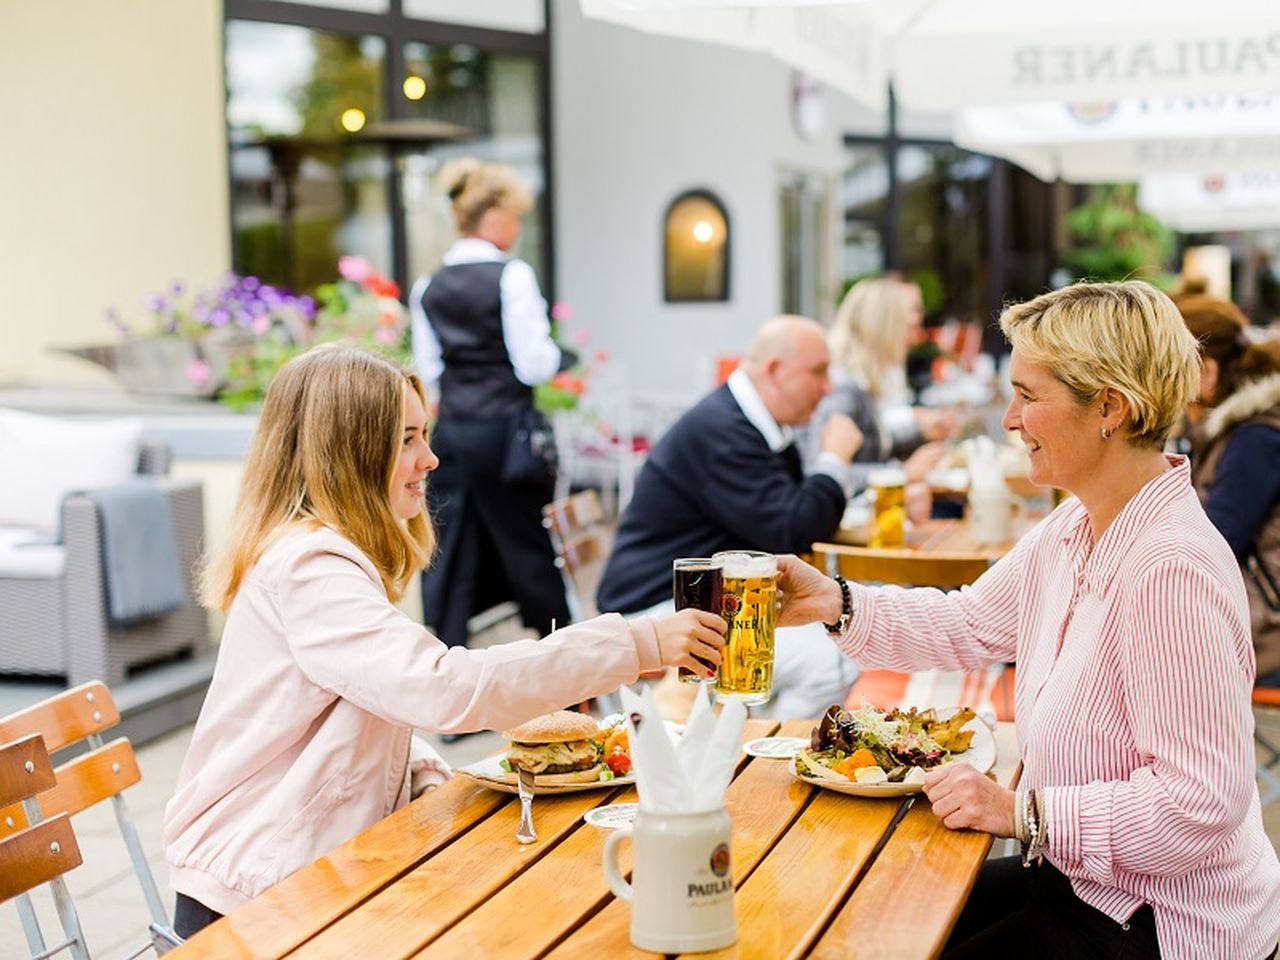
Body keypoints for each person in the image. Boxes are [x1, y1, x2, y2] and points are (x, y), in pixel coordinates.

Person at [775, 282, 1280, 958]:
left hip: (1157, 922)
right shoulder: (1078, 521)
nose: (1010, 419)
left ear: (1109, 407)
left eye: (1028, 395)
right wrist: (833, 603)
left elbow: (1197, 805)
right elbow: (969, 623)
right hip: (1080, 881)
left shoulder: (1171, 568)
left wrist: (1021, 813)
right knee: (872, 924)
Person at [162, 345, 726, 937]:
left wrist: (427, 776)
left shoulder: (321, 555)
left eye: (424, 434)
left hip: (301, 875)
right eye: (406, 439)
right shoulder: (311, 566)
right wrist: (638, 643)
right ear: (348, 453)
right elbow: (442, 687)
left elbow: (358, 715)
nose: (430, 459)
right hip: (253, 902)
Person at [596, 315, 863, 720]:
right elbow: (794, 529)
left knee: (834, 636)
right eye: (818, 372)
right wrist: (834, 458)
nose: (827, 387)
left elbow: (792, 520)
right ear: (775, 371)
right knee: (832, 661)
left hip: (704, 599)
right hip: (659, 605)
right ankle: (752, 760)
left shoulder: (746, 421)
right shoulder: (723, 431)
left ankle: (740, 742)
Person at [408, 157, 572, 650]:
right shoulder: (511, 276)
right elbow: (533, 364)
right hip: (507, 436)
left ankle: (444, 662)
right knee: (527, 544)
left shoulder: (428, 286)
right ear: (496, 217)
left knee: (452, 549)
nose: (517, 229)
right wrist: (563, 355)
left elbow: (430, 370)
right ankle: (563, 663)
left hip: (454, 433)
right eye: (516, 217)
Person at [1177, 294, 1280, 685]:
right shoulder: (1227, 432)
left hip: (1262, 636)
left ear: (1206, 371)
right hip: (1244, 617)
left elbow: (1207, 551)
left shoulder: (1254, 441)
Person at [803, 276, 957, 522]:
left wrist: (920, 431)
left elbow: (868, 441)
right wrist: (902, 473)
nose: (913, 338)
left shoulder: (859, 380)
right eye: (906, 328)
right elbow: (821, 470)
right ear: (884, 330)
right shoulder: (843, 387)